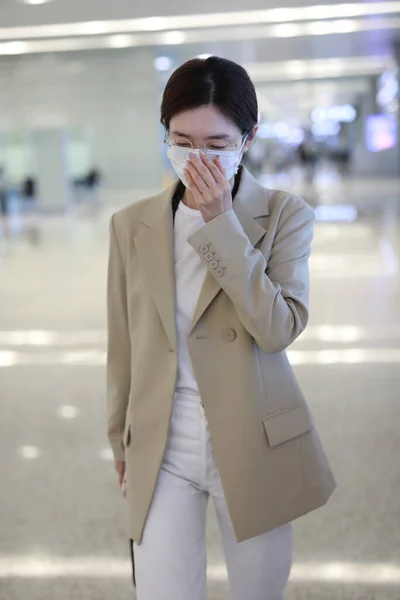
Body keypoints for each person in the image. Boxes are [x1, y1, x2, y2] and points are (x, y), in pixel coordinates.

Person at [107, 56, 336, 600]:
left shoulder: (285, 215)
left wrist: (219, 222)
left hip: (254, 437)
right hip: (162, 440)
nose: (198, 158)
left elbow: (278, 327)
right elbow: (124, 340)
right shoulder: (132, 224)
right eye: (182, 140)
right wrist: (119, 436)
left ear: (248, 138)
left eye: (216, 144)